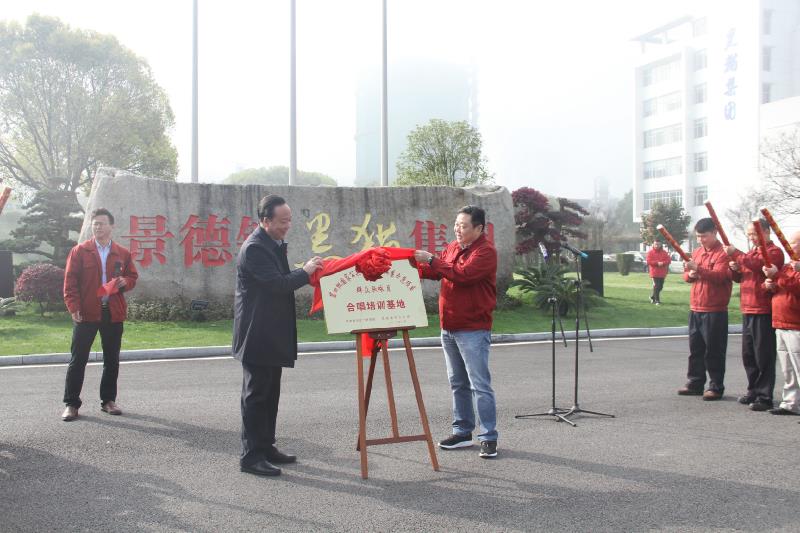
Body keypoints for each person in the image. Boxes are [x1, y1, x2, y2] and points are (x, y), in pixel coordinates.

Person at [232, 195, 323, 477]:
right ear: (265, 221)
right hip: (256, 333)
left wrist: (304, 271)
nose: (287, 226)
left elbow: (280, 280)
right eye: (283, 221)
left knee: (270, 393)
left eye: (290, 220)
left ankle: (266, 446)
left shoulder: (272, 243)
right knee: (256, 396)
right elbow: (277, 284)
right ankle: (251, 456)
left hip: (270, 332)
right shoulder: (255, 249)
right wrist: (305, 272)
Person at [413, 205, 499, 459]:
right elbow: (437, 271)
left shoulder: (486, 252)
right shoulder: (452, 247)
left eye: (463, 226)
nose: (458, 229)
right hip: (449, 326)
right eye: (456, 225)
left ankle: (488, 437)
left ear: (479, 228)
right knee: (458, 382)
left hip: (473, 328)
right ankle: (462, 432)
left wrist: (431, 259)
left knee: (479, 385)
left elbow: (463, 275)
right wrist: (410, 265)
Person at [62, 208, 138, 421]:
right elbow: (70, 281)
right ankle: (71, 404)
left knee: (111, 359)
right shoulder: (80, 251)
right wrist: (73, 306)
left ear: (111, 226)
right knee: (78, 360)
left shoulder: (122, 253)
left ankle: (108, 401)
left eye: (102, 223)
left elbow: (132, 277)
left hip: (112, 313)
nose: (98, 227)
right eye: (95, 223)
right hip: (86, 313)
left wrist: (125, 282)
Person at [726, 219, 784, 411]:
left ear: (766, 232)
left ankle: (765, 395)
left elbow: (757, 265)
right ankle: (753, 390)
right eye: (749, 234)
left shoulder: (774, 252)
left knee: (763, 355)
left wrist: (736, 253)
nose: (751, 237)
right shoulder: (750, 252)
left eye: (754, 233)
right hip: (748, 308)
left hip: (763, 309)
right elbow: (741, 275)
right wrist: (734, 269)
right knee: (749, 354)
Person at [677, 217, 733, 401]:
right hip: (696, 307)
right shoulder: (698, 252)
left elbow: (720, 276)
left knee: (714, 350)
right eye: (698, 236)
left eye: (704, 236)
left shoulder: (723, 253)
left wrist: (698, 269)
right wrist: (691, 273)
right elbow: (687, 276)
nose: (701, 240)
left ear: (714, 233)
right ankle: (695, 382)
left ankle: (716, 386)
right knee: (696, 349)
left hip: (715, 309)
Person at [763, 231, 800, 416]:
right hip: (781, 322)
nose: (788, 245)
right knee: (788, 368)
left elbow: (796, 286)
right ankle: (790, 403)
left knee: (798, 367)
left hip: (796, 324)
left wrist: (778, 275)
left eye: (792, 243)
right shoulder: (787, 267)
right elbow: (781, 284)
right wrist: (769, 284)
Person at [646, 240, 670, 305]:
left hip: (662, 272)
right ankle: (657, 300)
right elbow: (648, 261)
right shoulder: (650, 252)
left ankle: (653, 297)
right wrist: (657, 263)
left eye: (658, 244)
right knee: (657, 286)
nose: (657, 246)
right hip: (654, 272)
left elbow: (668, 260)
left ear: (661, 245)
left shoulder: (664, 252)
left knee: (660, 287)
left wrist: (663, 263)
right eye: (655, 244)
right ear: (653, 245)